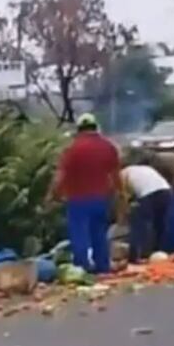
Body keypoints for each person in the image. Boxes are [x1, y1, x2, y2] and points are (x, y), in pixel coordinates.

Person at [49, 113, 121, 274]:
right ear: (96, 128)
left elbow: (60, 176)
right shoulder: (108, 147)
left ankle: (82, 267)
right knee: (99, 233)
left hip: (77, 199)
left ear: (79, 130)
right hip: (101, 199)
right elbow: (116, 176)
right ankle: (102, 265)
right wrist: (120, 197)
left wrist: (52, 195)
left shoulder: (72, 149)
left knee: (79, 234)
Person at [119, 164, 172, 263]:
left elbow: (124, 196)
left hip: (148, 194)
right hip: (166, 192)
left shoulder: (122, 173)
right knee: (160, 224)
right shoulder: (146, 168)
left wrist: (123, 214)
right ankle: (160, 252)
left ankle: (134, 257)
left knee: (138, 225)